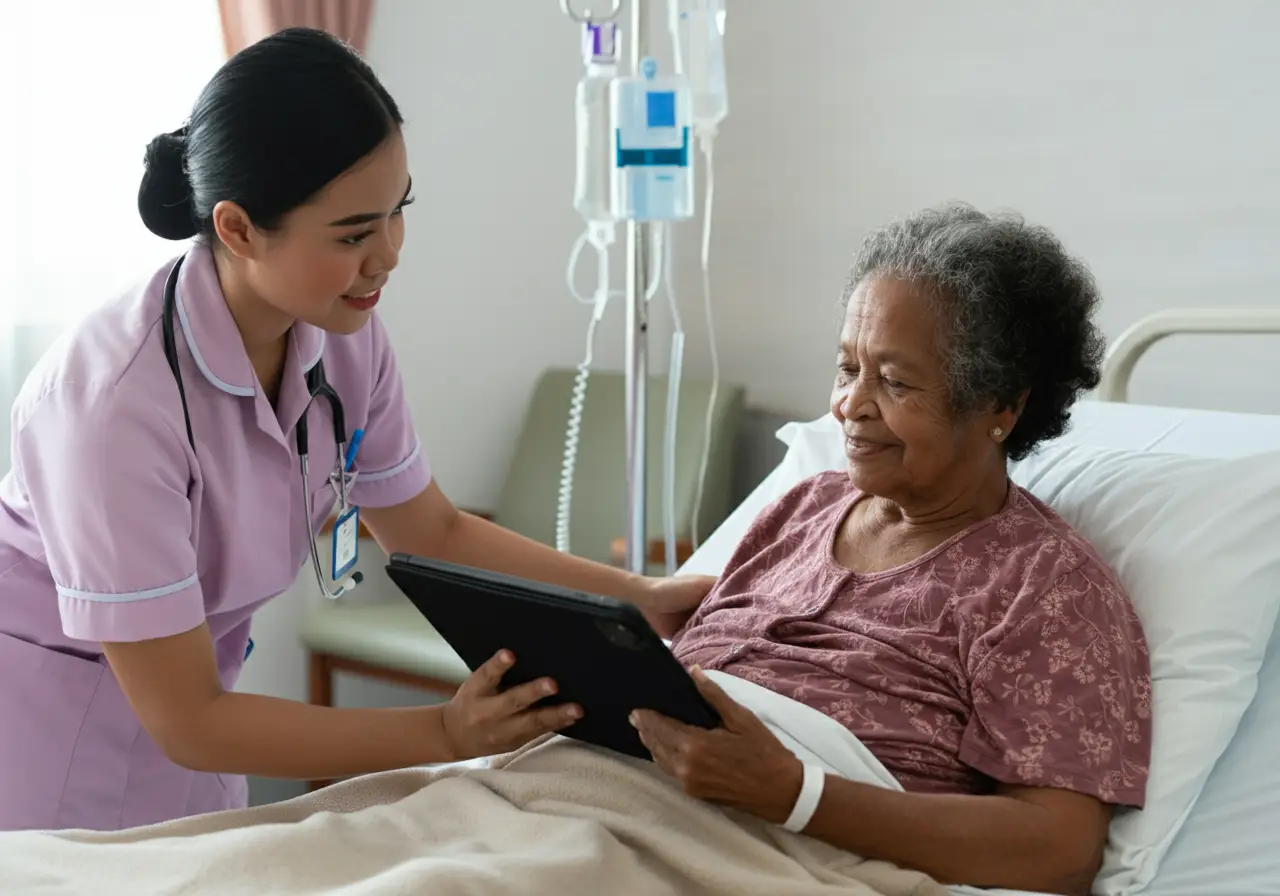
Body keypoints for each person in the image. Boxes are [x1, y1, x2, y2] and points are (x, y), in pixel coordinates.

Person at [0, 28, 712, 833]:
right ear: (236, 229)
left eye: (397, 213)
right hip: (55, 748)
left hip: (205, 736)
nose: (389, 257)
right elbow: (187, 720)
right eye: (352, 234)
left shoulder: (342, 332)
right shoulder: (110, 408)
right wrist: (444, 733)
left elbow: (429, 528)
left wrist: (639, 599)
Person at [630, 204, 1153, 896]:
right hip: (616, 797)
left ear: (1001, 406)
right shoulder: (802, 508)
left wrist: (796, 793)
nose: (850, 405)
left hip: (766, 857)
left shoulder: (1047, 588)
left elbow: (1058, 852)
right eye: (847, 369)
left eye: (895, 382)